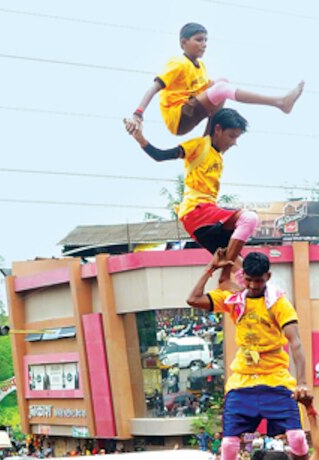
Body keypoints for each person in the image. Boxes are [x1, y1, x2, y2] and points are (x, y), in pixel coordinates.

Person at [188, 251, 315, 460]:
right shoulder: (235, 299)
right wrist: (211, 267)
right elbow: (193, 299)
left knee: (298, 439)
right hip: (242, 382)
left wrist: (302, 383)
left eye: (259, 280)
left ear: (268, 276)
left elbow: (295, 342)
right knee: (227, 445)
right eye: (249, 280)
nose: (254, 285)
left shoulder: (278, 302)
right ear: (243, 277)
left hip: (276, 378)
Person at [129, 109, 257, 274]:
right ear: (217, 129)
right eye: (231, 136)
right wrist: (140, 138)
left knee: (245, 272)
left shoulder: (217, 155)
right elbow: (160, 155)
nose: (233, 143)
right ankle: (225, 276)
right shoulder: (199, 145)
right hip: (197, 210)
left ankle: (229, 274)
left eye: (236, 138)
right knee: (249, 218)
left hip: (202, 219)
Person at [124, 22, 304, 138]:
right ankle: (279, 102)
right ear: (183, 43)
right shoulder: (178, 63)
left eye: (206, 40)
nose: (204, 44)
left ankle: (207, 138)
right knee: (221, 88)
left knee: (221, 82)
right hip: (178, 115)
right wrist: (138, 113)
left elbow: (211, 91)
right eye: (198, 40)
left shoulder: (201, 67)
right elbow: (154, 88)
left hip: (191, 110)